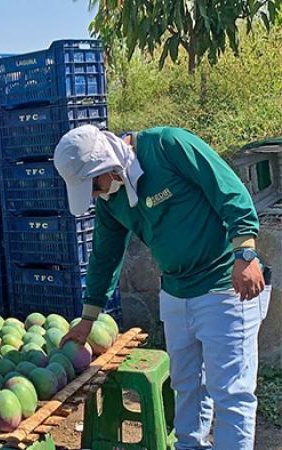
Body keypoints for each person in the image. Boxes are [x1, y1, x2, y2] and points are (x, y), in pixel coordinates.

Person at [54, 125, 272, 450]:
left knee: (230, 392)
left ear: (106, 163)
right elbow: (104, 256)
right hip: (174, 292)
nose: (95, 194)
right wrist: (88, 318)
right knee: (187, 386)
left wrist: (245, 251)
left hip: (223, 286)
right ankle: (189, 445)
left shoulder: (167, 146)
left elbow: (228, 189)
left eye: (93, 185)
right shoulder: (112, 200)